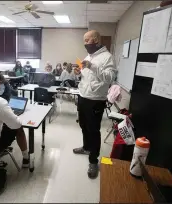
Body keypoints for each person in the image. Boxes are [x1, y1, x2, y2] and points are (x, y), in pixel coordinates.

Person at [73, 30, 117, 179]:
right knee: (83, 125)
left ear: (96, 40)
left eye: (87, 40)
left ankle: (93, 160)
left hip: (96, 100)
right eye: (84, 40)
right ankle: (86, 147)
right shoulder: (88, 56)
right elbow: (87, 77)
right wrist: (79, 72)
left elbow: (110, 77)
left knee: (93, 130)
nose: (85, 43)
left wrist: (92, 66)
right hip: (83, 96)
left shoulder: (107, 57)